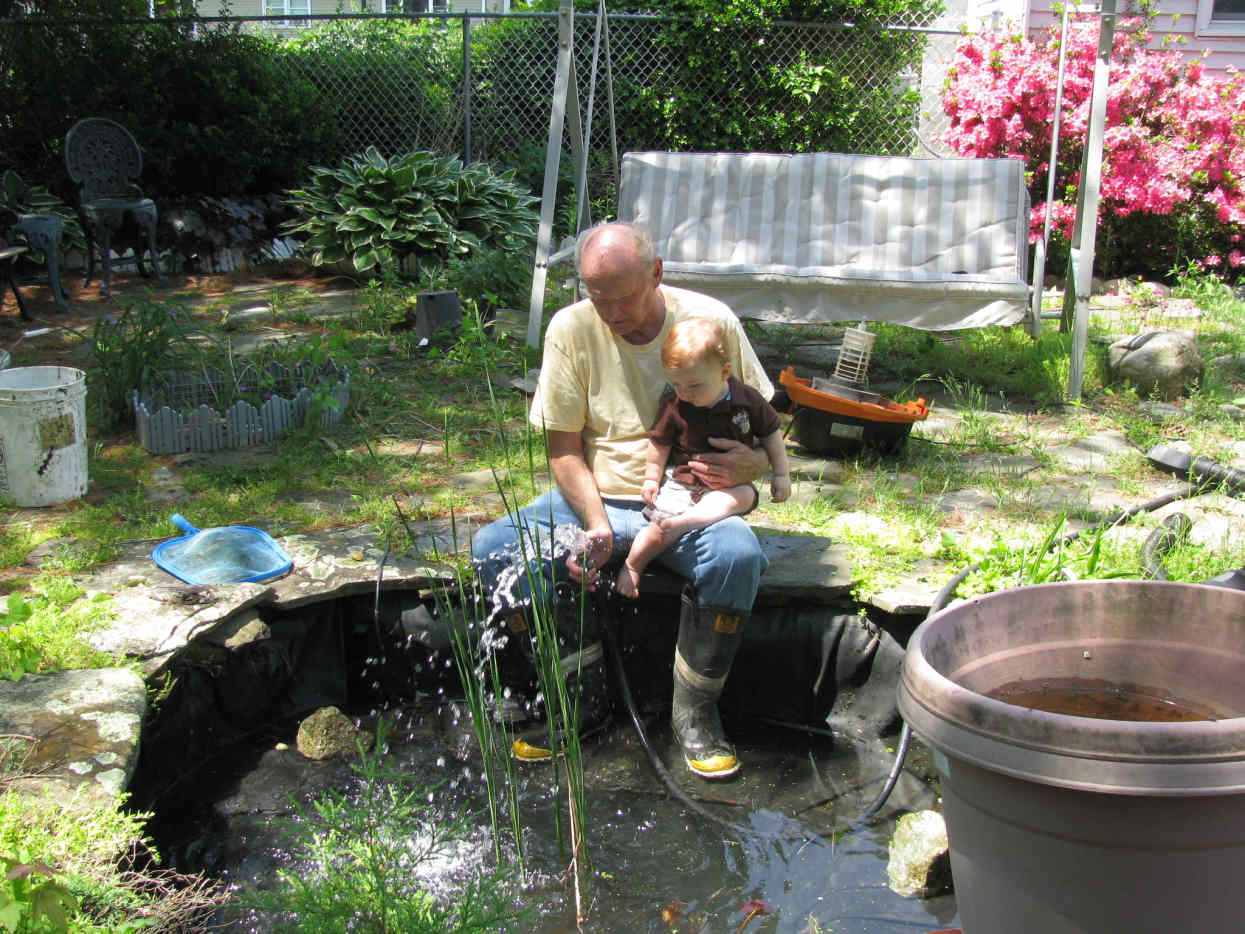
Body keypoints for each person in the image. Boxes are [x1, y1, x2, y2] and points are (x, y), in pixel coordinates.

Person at [470, 220, 775, 779]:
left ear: (656, 274)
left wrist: (755, 466)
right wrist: (593, 521)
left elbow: (768, 424)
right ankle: (578, 700)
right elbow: (563, 450)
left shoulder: (711, 324)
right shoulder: (570, 328)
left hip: (690, 502)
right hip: (597, 496)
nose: (610, 313)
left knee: (738, 557)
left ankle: (696, 712)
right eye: (596, 296)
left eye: (623, 297)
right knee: (494, 547)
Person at [615, 318, 790, 599]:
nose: (684, 394)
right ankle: (633, 565)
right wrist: (651, 478)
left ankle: (687, 523)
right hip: (683, 483)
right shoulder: (675, 405)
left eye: (694, 386)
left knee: (745, 494)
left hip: (724, 489)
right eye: (676, 384)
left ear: (724, 372)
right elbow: (658, 445)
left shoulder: (747, 400)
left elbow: (772, 435)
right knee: (658, 529)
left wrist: (781, 475)